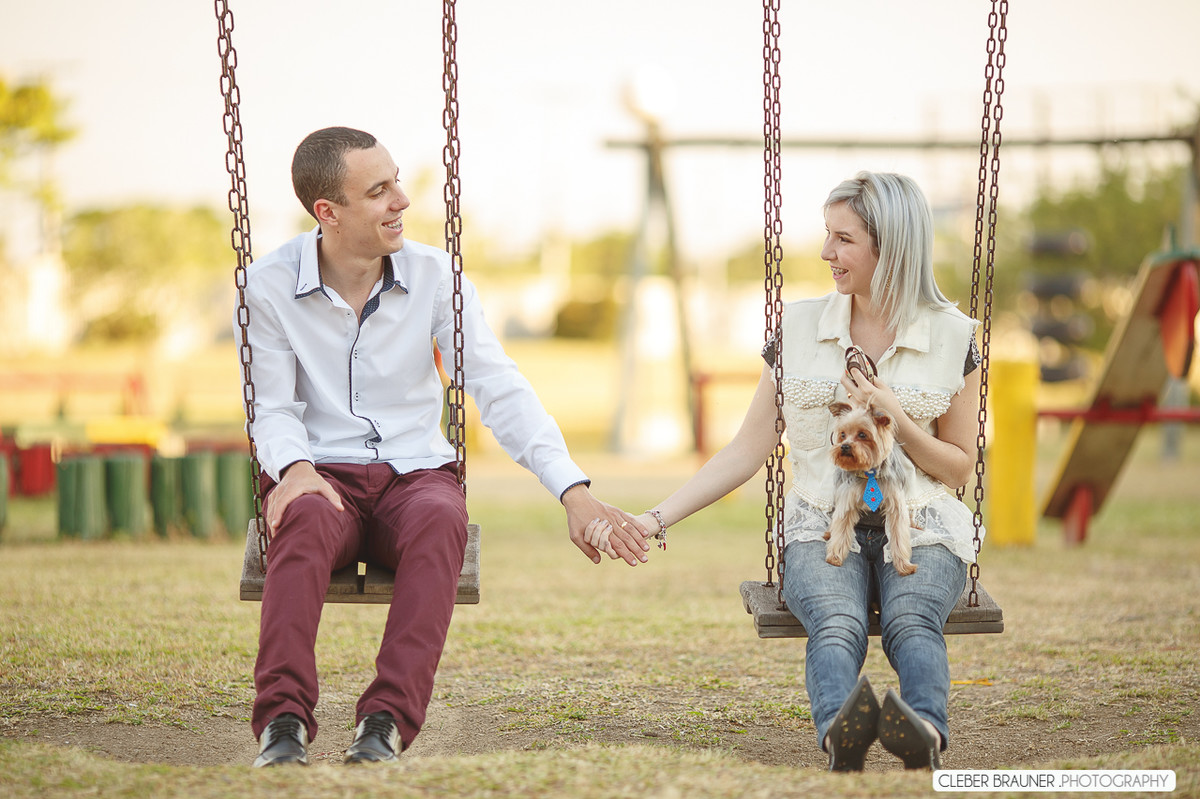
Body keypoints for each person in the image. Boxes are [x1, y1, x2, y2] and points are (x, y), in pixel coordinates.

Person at [239, 126, 650, 768]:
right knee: (305, 515)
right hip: (321, 473)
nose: (402, 199)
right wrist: (291, 471)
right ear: (329, 212)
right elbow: (274, 405)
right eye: (378, 191)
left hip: (414, 476)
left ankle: (385, 723)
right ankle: (283, 723)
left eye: (397, 180)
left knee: (440, 518)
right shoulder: (268, 286)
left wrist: (573, 489)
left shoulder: (434, 276)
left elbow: (495, 383)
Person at [590, 171, 983, 771]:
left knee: (913, 617)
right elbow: (745, 452)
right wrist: (654, 518)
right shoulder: (800, 331)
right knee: (835, 619)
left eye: (843, 239)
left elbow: (959, 468)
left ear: (891, 245)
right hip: (823, 522)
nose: (827, 252)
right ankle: (841, 732)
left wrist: (896, 418)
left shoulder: (954, 337)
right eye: (828, 236)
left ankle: (923, 729)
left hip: (922, 522)